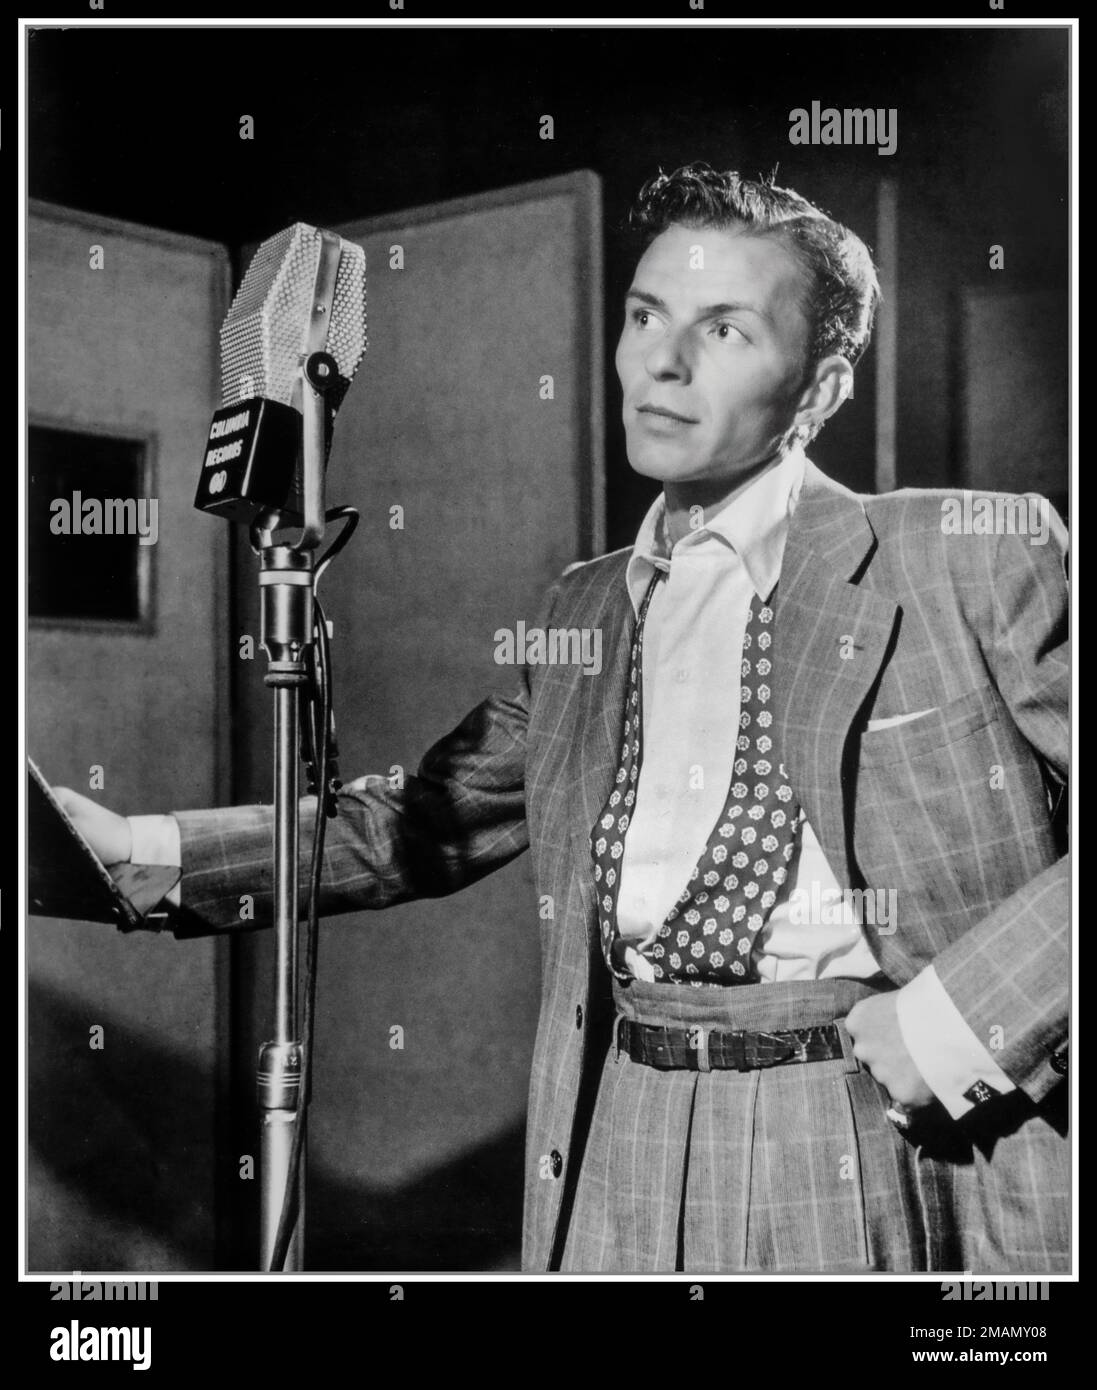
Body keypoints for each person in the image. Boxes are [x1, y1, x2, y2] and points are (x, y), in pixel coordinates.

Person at [54, 162, 1069, 1274]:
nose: (660, 364)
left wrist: (953, 1024)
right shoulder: (584, 604)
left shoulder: (964, 553)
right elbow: (416, 824)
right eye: (645, 317)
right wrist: (141, 855)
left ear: (821, 387)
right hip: (617, 1125)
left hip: (851, 1127)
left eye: (723, 331)